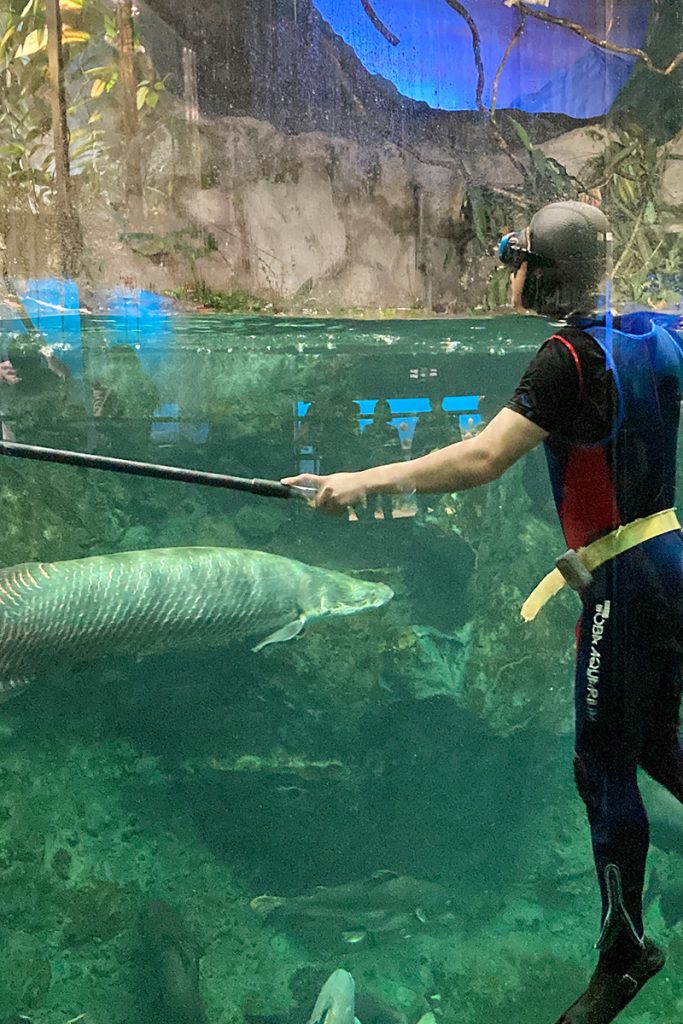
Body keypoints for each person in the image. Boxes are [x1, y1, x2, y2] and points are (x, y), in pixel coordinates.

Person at [283, 199, 683, 1024]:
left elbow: (479, 458)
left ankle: (623, 949)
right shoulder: (657, 335)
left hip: (623, 584)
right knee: (654, 742)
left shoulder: (565, 356)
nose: (509, 273)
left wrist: (360, 481)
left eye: (517, 258)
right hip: (667, 559)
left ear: (545, 271)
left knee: (600, 764)